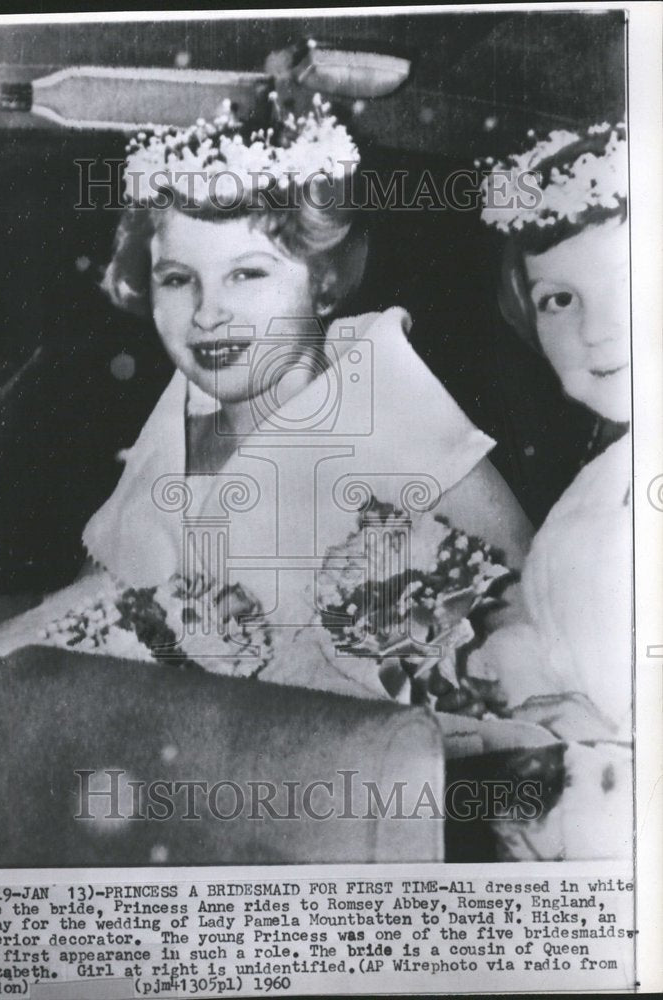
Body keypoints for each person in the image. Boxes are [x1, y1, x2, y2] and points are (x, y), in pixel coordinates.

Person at [79, 94, 532, 698]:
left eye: (247, 273)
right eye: (179, 279)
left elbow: (535, 640)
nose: (208, 314)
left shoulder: (404, 434)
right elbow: (87, 629)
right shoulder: (163, 445)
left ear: (324, 283)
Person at [473, 122, 632, 858]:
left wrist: (614, 749)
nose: (597, 332)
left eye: (632, 281)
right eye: (559, 298)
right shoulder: (591, 490)